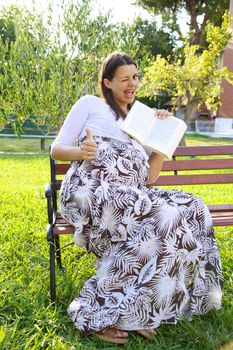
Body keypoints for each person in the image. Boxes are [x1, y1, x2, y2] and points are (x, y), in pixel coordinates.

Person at [51, 51, 223, 344]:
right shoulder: (90, 105)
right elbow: (56, 149)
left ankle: (140, 307)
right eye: (125, 79)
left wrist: (161, 139)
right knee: (162, 214)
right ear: (107, 83)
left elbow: (149, 179)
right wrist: (81, 153)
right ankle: (103, 311)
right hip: (92, 189)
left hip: (132, 192)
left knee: (193, 207)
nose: (133, 84)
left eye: (136, 76)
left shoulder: (140, 119)